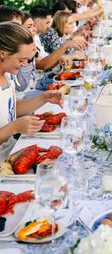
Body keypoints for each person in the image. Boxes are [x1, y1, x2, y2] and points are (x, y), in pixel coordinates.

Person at [0, 22, 63, 160]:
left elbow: (10, 107)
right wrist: (13, 128)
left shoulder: (7, 74)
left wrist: (44, 97)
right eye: (22, 60)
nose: (25, 65)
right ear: (3, 54)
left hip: (12, 149)